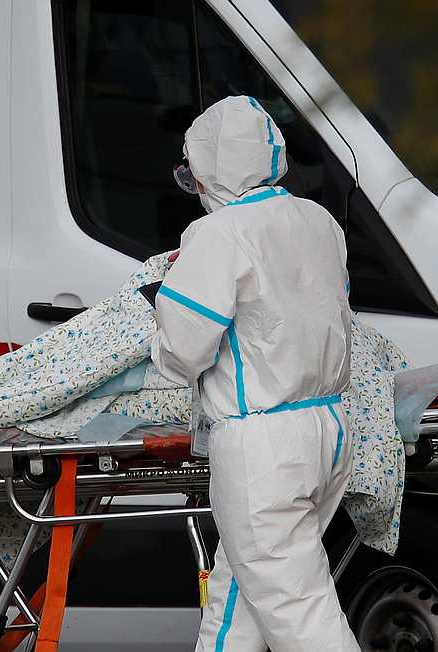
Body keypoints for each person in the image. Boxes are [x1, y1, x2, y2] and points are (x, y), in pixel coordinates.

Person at [152, 95, 359, 651]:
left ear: (209, 170)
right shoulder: (319, 223)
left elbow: (182, 350)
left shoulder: (219, 234)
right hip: (329, 430)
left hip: (263, 446)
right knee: (239, 597)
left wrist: (162, 302)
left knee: (300, 613)